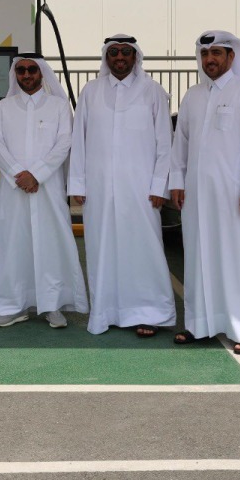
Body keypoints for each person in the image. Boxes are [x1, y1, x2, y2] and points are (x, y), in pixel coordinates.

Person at [68, 35, 176, 337]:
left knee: (143, 250)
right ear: (106, 57)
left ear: (135, 57)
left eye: (125, 52)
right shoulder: (91, 91)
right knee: (102, 248)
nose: (119, 57)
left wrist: (159, 186)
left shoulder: (153, 92)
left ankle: (149, 312)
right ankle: (107, 312)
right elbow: (79, 140)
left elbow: (164, 143)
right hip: (99, 188)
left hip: (141, 189)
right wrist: (78, 182)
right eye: (113, 52)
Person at [169, 30, 240, 355]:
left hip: (236, 196)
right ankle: (199, 325)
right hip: (196, 196)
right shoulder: (193, 96)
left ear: (231, 57)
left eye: (217, 53)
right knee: (198, 257)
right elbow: (180, 144)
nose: (210, 59)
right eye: (205, 54)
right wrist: (177, 182)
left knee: (237, 258)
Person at [0, 53, 88, 328]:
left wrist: (37, 174)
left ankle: (52, 305)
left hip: (48, 188)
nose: (27, 75)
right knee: (13, 245)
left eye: (32, 69)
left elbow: (64, 143)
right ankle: (12, 305)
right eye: (21, 70)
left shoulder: (58, 107)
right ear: (15, 74)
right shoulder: (2, 108)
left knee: (51, 244)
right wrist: (18, 175)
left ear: (41, 73)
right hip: (14, 189)